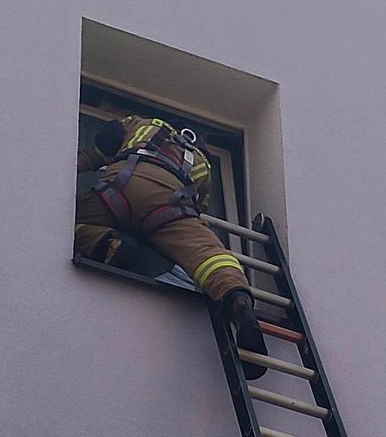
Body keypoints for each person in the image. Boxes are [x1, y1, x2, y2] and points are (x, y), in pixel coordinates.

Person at [75, 101, 269, 379]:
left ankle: (116, 247)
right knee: (207, 253)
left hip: (118, 185)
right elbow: (196, 210)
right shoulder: (202, 163)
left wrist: (76, 163)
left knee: (68, 221)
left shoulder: (141, 125)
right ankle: (238, 301)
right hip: (169, 204)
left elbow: (106, 140)